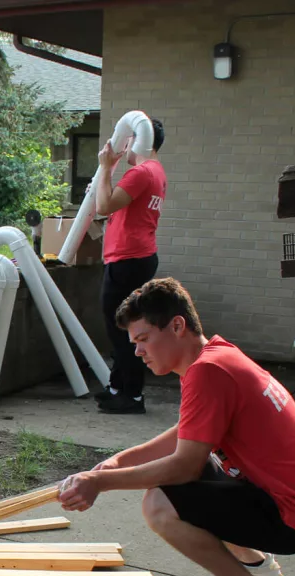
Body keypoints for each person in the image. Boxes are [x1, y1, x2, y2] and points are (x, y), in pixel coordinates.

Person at [59, 278, 295, 576]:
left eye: (143, 339)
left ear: (177, 325)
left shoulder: (208, 372)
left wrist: (101, 483)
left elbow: (183, 466)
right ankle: (258, 570)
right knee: (182, 475)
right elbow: (184, 437)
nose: (138, 351)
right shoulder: (218, 356)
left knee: (160, 503)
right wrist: (116, 462)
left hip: (293, 517)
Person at [93, 116, 166, 415]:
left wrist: (105, 167)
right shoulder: (156, 171)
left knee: (121, 328)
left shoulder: (141, 173)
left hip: (128, 260)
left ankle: (132, 395)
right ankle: (118, 387)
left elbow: (103, 206)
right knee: (122, 326)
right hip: (136, 257)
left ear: (140, 140)